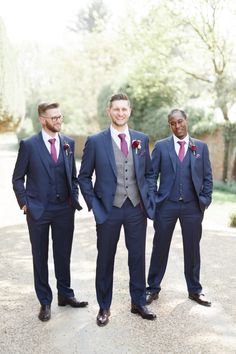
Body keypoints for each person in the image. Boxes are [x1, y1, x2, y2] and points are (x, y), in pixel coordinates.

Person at [78, 93, 156, 326]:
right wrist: (96, 206)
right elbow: (83, 177)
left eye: (124, 109)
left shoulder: (141, 139)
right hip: (108, 210)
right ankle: (104, 307)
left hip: (136, 209)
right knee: (105, 259)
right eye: (116, 109)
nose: (120, 113)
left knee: (137, 257)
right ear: (108, 111)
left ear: (129, 111)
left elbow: (150, 174)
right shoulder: (95, 141)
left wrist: (147, 198)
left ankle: (138, 302)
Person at [12, 102, 88, 322]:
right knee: (40, 256)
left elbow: (72, 176)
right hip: (38, 210)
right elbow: (17, 178)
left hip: (64, 209)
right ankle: (45, 301)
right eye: (54, 118)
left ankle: (65, 295)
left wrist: (73, 198)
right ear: (42, 119)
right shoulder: (29, 145)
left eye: (60, 117)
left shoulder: (68, 143)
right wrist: (25, 203)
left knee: (63, 254)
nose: (58, 121)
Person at [146, 108, 213, 307]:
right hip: (166, 205)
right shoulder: (161, 146)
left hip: (193, 207)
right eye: (173, 123)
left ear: (186, 120)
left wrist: (205, 199)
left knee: (192, 249)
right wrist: (154, 199)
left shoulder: (200, 147)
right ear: (170, 125)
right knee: (160, 247)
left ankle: (194, 290)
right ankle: (153, 288)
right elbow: (151, 175)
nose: (177, 126)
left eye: (180, 121)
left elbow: (208, 177)